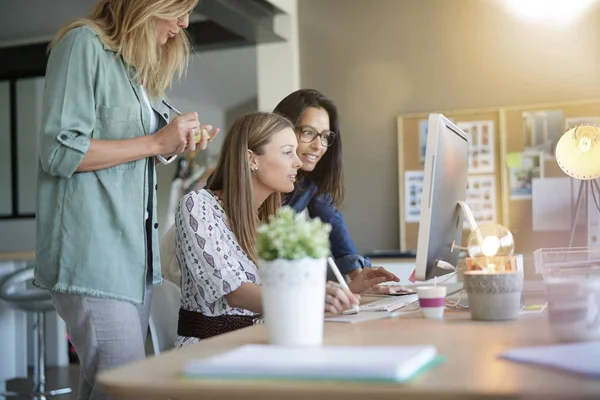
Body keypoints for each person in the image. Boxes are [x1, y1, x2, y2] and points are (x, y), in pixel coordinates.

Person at [34, 1, 218, 398]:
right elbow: (59, 151)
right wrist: (155, 141)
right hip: (94, 257)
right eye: (179, 10)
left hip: (136, 262)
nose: (185, 24)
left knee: (106, 388)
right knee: (129, 389)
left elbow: (144, 140)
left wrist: (175, 140)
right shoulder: (83, 45)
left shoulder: (136, 69)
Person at [174, 112, 370, 347]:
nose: (298, 162)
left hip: (266, 342)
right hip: (212, 350)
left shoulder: (270, 223)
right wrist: (310, 299)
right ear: (251, 159)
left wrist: (344, 291)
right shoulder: (197, 206)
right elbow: (235, 292)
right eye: (288, 152)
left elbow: (285, 288)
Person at [274, 89, 402, 293]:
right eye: (308, 133)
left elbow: (333, 222)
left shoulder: (309, 181)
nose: (319, 146)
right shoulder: (250, 179)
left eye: (325, 136)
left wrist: (363, 280)